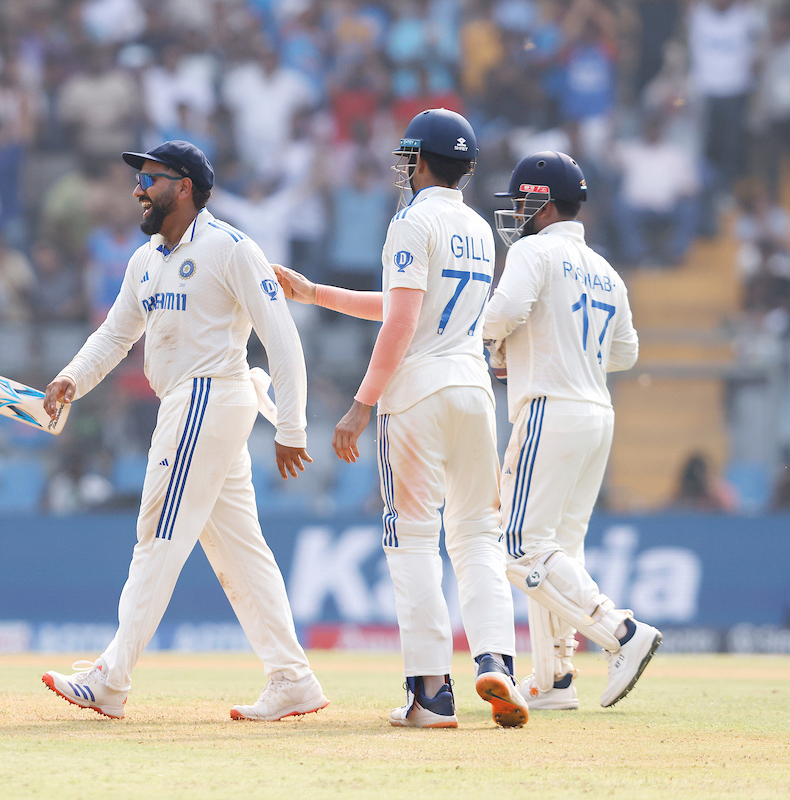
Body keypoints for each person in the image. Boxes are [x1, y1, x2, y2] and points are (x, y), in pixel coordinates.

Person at [38, 140, 328, 722]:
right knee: (240, 551)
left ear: (185, 186)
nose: (139, 189)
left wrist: (293, 426)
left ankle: (111, 678)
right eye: (139, 179)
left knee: (157, 537)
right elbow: (116, 335)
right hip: (188, 401)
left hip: (207, 395)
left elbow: (282, 336)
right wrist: (73, 377)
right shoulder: (145, 259)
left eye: (150, 178)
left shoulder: (231, 248)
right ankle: (293, 679)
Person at [275, 108, 528, 729]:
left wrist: (360, 406)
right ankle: (497, 662)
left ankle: (431, 695)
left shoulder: (411, 221)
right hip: (473, 392)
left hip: (415, 394)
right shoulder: (476, 226)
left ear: (418, 160)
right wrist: (317, 294)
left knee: (412, 538)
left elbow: (403, 322)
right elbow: (405, 304)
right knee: (477, 538)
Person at [484, 150, 662, 711]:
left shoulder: (535, 251)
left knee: (517, 546)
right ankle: (555, 678)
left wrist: (503, 345)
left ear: (542, 201)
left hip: (550, 408)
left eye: (521, 201)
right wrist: (561, 348)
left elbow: (498, 313)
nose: (515, 212)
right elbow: (627, 352)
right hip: (596, 411)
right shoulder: (605, 269)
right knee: (555, 548)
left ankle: (622, 633)